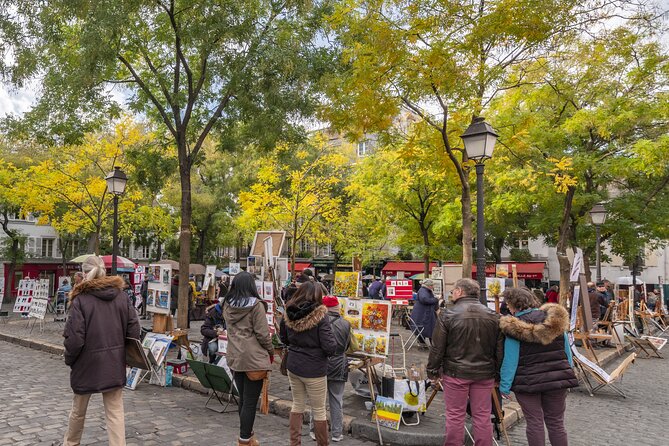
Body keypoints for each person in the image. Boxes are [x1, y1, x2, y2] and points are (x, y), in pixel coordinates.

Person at [62, 255, 140, 446]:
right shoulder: (121, 296)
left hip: (86, 363)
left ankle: (71, 443)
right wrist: (127, 355)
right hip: (114, 361)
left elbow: (75, 338)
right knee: (115, 411)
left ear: (84, 273)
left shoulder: (81, 300)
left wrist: (70, 359)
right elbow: (134, 329)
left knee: (78, 410)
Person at [426, 278, 503, 446]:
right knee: (482, 416)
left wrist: (432, 370)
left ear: (460, 291)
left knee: (455, 415)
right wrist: (497, 374)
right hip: (484, 373)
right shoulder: (493, 316)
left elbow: (437, 347)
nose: (452, 293)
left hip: (456, 372)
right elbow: (499, 350)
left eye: (453, 290)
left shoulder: (448, 314)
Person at [499, 287, 578, 446]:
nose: (507, 306)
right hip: (557, 380)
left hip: (528, 382)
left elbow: (511, 360)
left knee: (534, 421)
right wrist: (567, 371)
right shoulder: (554, 321)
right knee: (556, 422)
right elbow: (566, 352)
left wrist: (504, 386)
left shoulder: (515, 327)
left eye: (508, 303)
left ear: (514, 304)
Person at [280, 281, 336, 446]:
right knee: (318, 410)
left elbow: (283, 338)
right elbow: (330, 346)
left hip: (294, 364)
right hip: (314, 368)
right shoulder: (320, 315)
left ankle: (295, 443)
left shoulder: (288, 312)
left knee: (297, 404)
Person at [223, 271, 274, 446]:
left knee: (243, 399)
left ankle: (247, 435)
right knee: (250, 401)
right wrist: (271, 349)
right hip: (253, 359)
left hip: (235, 356)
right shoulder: (256, 306)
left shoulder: (227, 305)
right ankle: (244, 439)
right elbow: (262, 334)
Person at [308, 296, 353, 443]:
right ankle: (337, 433)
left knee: (317, 401)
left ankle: (315, 431)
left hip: (320, 364)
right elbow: (347, 346)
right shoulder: (346, 324)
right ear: (337, 308)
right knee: (336, 400)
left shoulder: (317, 322)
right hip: (339, 364)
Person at [410, 279, 439, 347]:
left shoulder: (424, 290)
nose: (433, 287)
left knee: (425, 328)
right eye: (432, 285)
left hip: (422, 313)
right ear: (429, 285)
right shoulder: (423, 290)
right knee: (430, 328)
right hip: (424, 314)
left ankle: (422, 342)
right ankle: (433, 345)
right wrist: (436, 299)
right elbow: (424, 299)